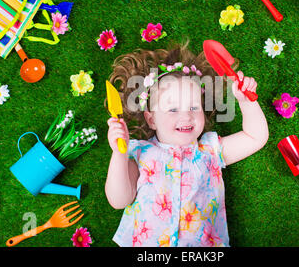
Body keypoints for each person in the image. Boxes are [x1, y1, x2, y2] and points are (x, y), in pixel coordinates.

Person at [105, 42, 269, 247]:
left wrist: (247, 102)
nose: (186, 116)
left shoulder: (211, 150)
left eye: (193, 106)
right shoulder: (140, 153)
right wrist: (118, 154)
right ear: (151, 119)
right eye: (172, 109)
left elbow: (255, 137)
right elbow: (118, 200)